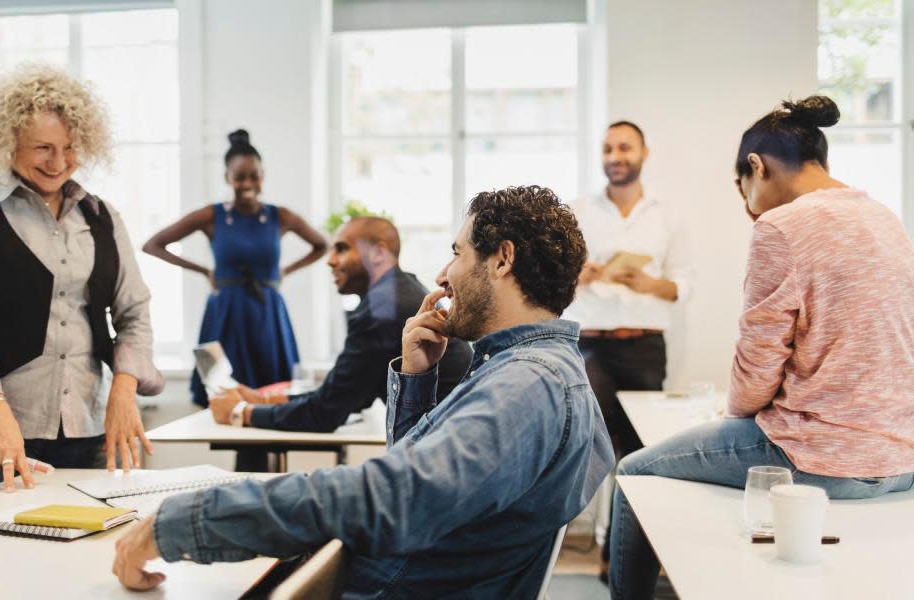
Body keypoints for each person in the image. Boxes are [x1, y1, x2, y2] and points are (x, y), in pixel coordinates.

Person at [112, 185, 614, 598]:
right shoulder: (539, 371)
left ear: (502, 259)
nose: (442, 276)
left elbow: (392, 497)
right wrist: (417, 380)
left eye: (457, 253)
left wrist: (184, 522)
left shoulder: (525, 385)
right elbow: (421, 481)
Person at [608, 96, 914, 600]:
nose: (747, 205)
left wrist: (739, 413)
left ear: (756, 167)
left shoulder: (782, 226)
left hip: (821, 459)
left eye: (742, 188)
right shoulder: (885, 217)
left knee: (635, 471)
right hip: (899, 461)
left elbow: (755, 371)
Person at [0, 64, 163, 499]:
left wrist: (123, 390)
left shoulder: (104, 217)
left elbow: (134, 311)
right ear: (8, 141)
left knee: (83, 558)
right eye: (42, 147)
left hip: (84, 430)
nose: (59, 162)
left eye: (70, 148)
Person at [566, 121, 693, 579]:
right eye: (607, 148)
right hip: (590, 347)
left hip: (645, 346)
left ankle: (625, 559)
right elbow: (557, 277)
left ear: (643, 153)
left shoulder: (668, 215)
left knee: (642, 455)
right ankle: (594, 541)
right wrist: (578, 274)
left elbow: (683, 283)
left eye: (624, 147)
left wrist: (647, 283)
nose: (615, 155)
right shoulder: (578, 210)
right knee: (595, 444)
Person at [208, 216, 472, 433]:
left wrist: (239, 412)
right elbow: (348, 393)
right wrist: (261, 399)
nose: (330, 260)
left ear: (379, 252)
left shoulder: (381, 311)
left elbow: (325, 412)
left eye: (342, 248)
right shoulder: (396, 292)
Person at [143, 130, 327, 407]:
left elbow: (322, 245)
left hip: (268, 316)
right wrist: (204, 271)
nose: (247, 183)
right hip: (225, 315)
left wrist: (286, 271)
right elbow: (153, 244)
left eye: (254, 175)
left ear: (263, 175)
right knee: (225, 400)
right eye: (240, 176)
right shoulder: (212, 215)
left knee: (273, 399)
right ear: (227, 177)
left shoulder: (280, 217)